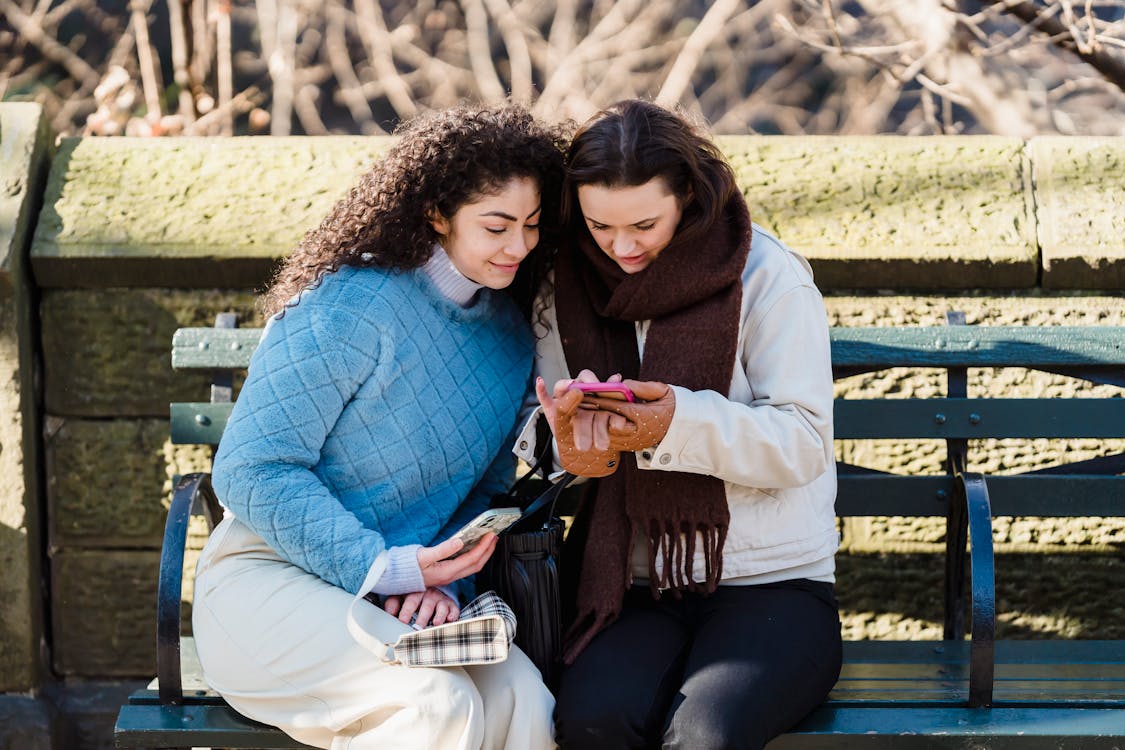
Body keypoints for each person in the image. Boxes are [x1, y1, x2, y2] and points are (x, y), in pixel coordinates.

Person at [191, 102, 566, 750]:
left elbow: (478, 495)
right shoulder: (348, 304)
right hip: (267, 583)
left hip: (397, 596)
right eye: (497, 225)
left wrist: (442, 584)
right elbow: (251, 470)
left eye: (531, 226)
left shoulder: (508, 339)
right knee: (432, 702)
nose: (519, 246)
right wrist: (384, 568)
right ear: (436, 214)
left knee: (523, 701)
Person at [519, 99, 842, 749]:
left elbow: (802, 442)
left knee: (703, 738)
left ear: (687, 198)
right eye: (599, 226)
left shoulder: (765, 276)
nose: (622, 246)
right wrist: (565, 447)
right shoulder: (565, 284)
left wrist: (671, 424)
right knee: (590, 723)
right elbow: (541, 424)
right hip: (628, 585)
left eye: (643, 223)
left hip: (773, 582)